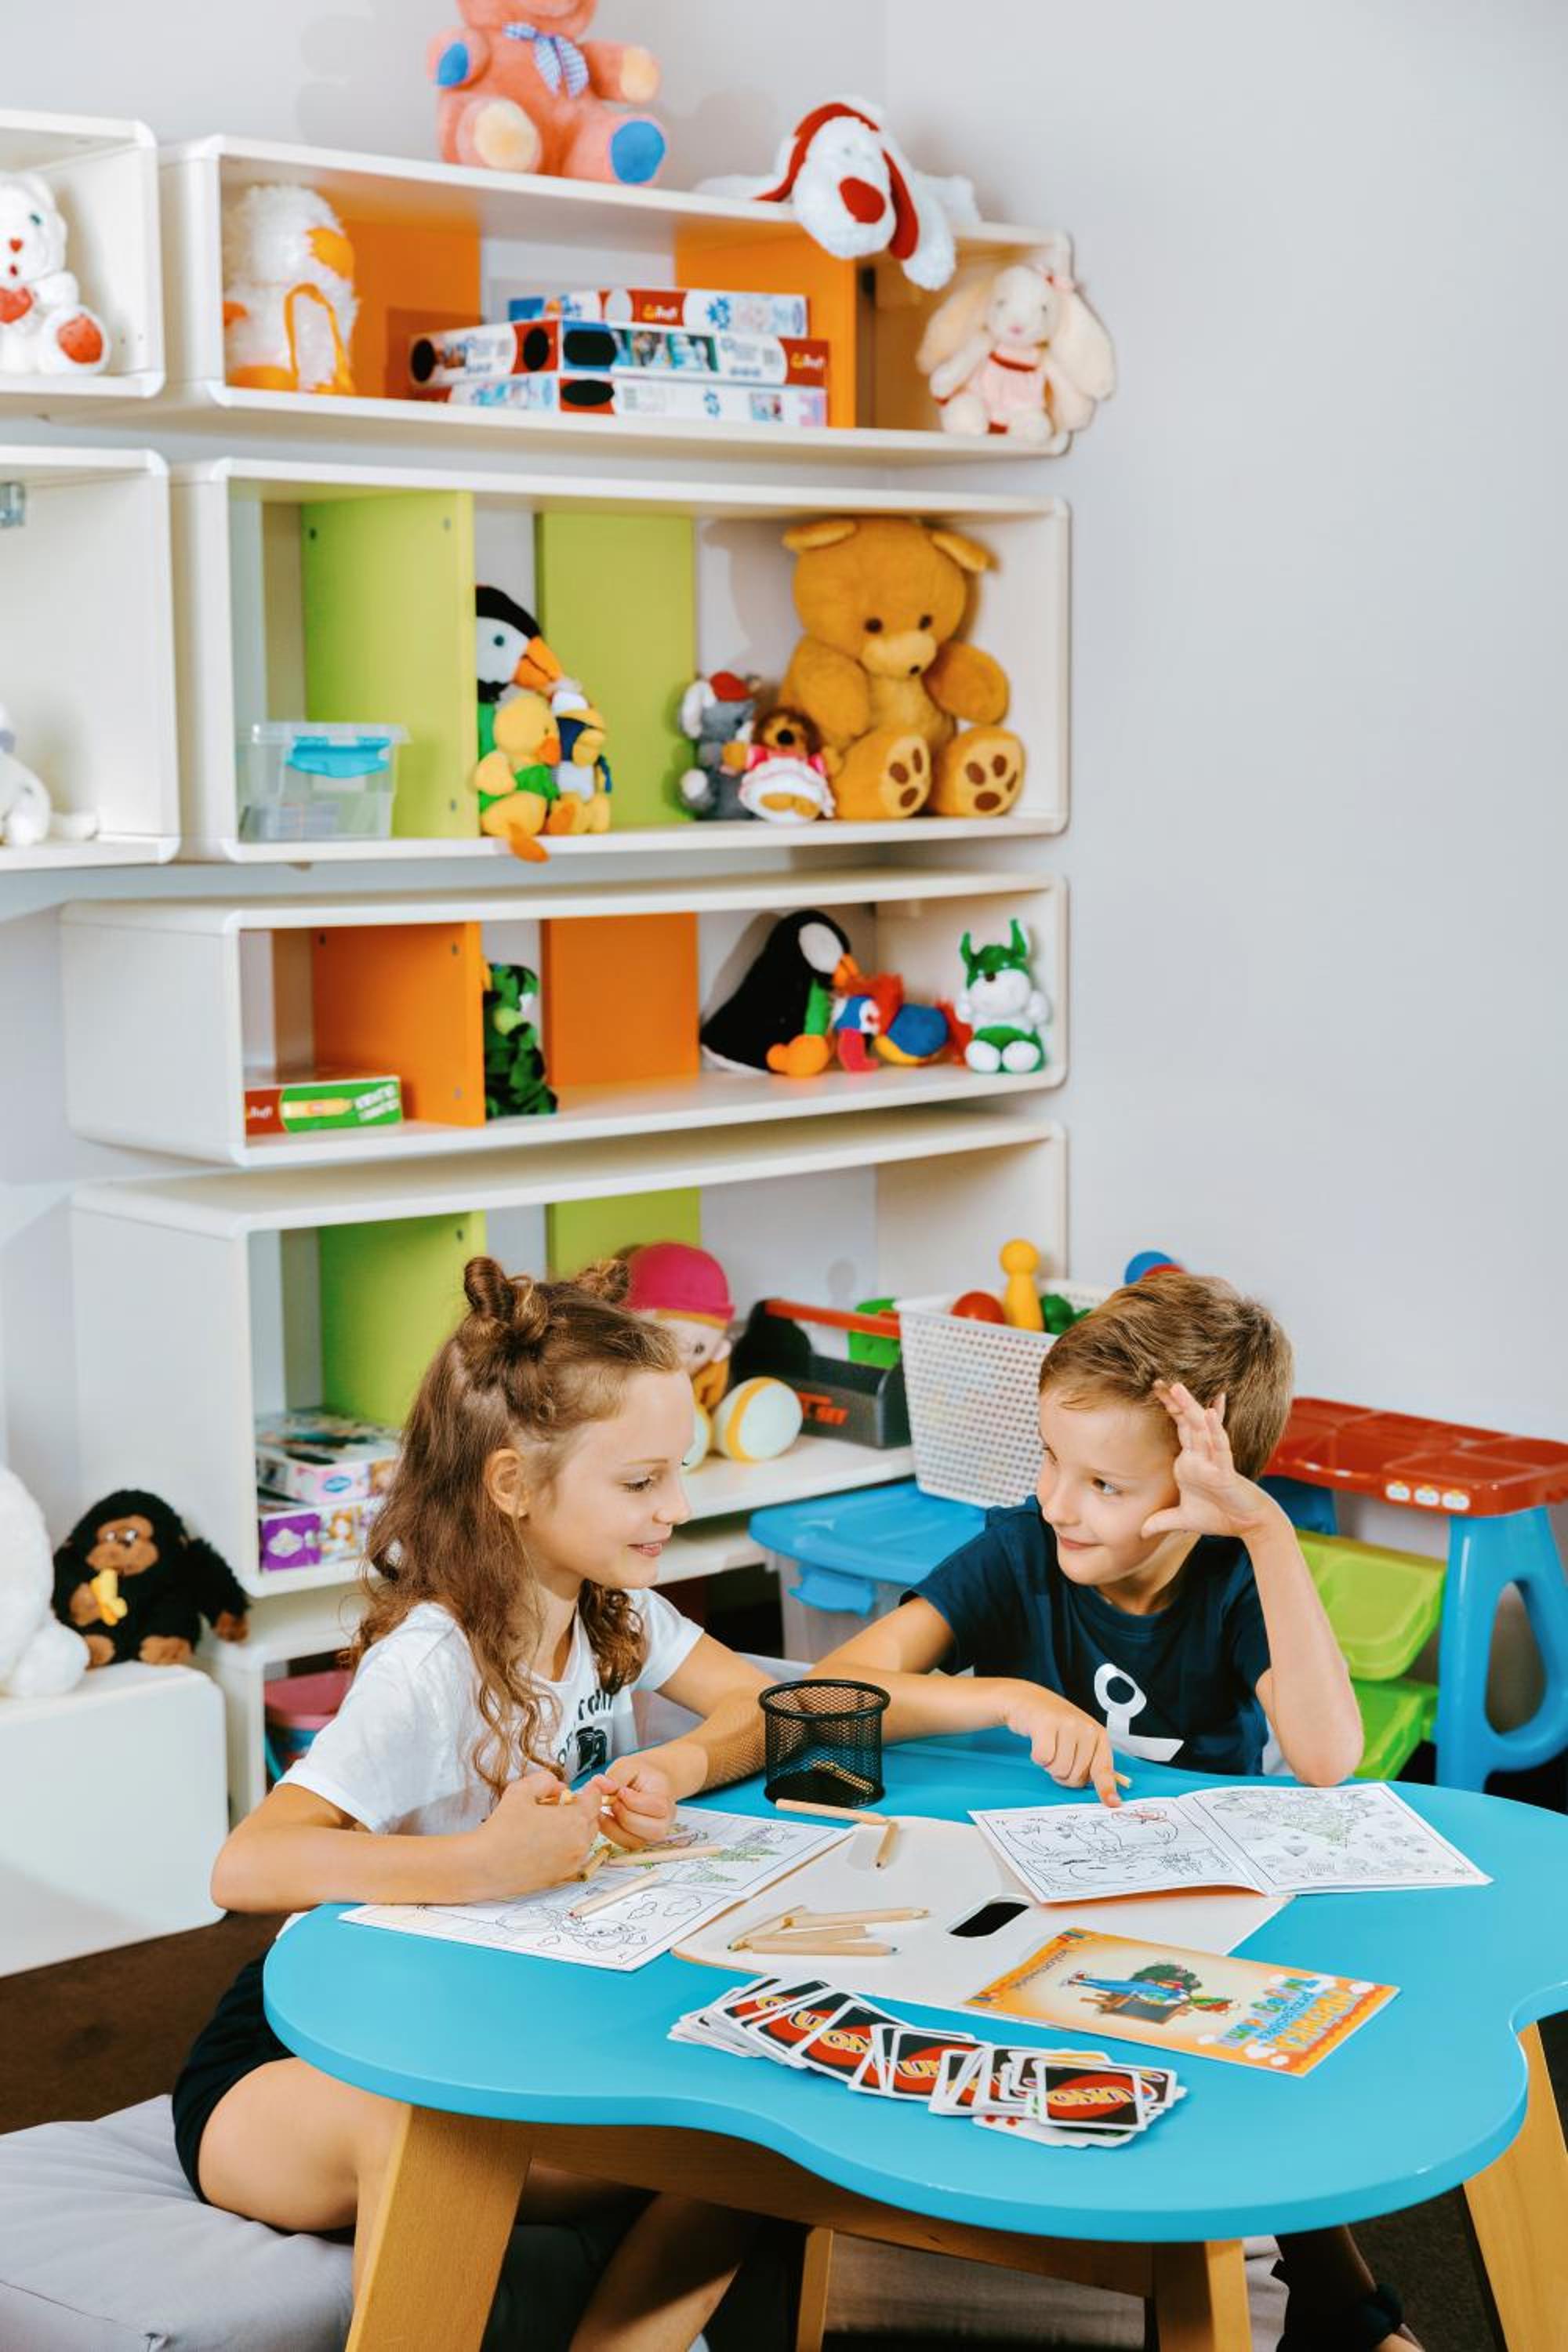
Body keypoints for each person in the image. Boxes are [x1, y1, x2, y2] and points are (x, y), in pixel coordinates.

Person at [173, 1256, 782, 2352]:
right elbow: (247, 1866)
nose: (677, 1510)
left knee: (758, 2141)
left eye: (678, 1474)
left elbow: (760, 1706)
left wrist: (678, 1767)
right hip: (302, 2062)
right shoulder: (432, 1662)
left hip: (478, 2030)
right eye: (643, 1482)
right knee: (440, 2143)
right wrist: (481, 1868)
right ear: (513, 1485)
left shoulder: (614, 1610)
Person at [805, 1272, 1417, 2352]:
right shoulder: (1018, 1554)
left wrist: (1267, 1535)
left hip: (1187, 1912)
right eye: (1050, 1460)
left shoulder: (1231, 1578)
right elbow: (828, 1696)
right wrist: (1006, 1695)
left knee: (1242, 2064)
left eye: (1102, 1484)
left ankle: (1336, 2306)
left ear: (1199, 1486)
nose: (1057, 1502)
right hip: (1022, 1895)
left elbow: (1328, 1759)